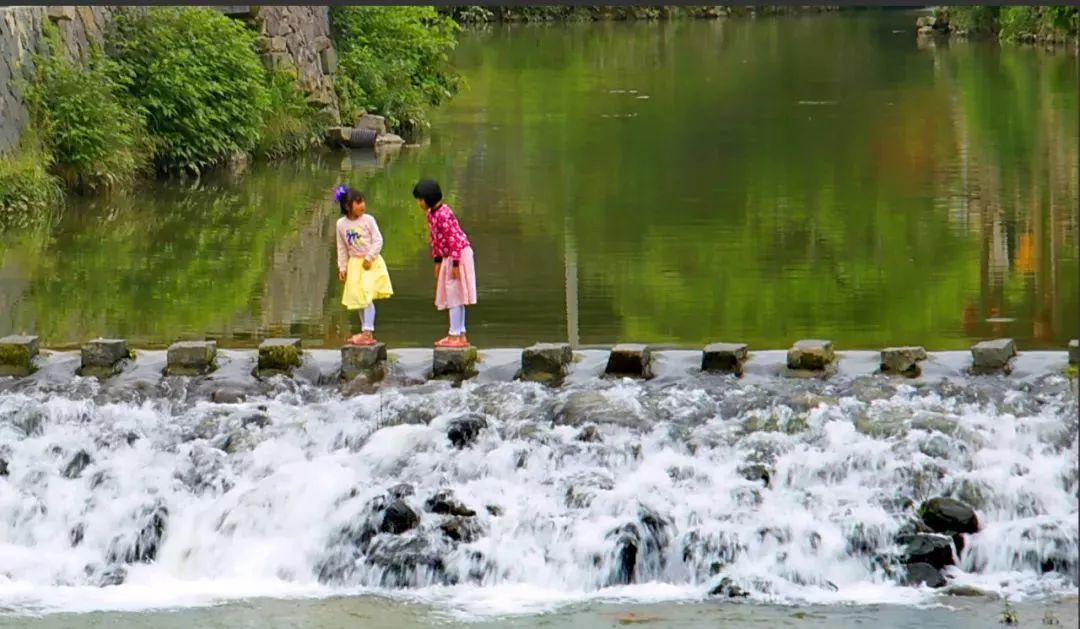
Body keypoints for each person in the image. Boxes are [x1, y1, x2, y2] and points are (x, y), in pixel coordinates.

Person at [412, 179, 477, 348]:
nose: (419, 203)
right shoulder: (432, 214)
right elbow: (435, 239)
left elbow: (453, 239)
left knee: (454, 295)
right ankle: (460, 334)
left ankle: (455, 335)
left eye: (420, 200)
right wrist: (438, 260)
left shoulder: (443, 213)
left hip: (458, 255)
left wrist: (455, 264)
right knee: (456, 293)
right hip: (449, 256)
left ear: (428, 198)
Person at [335, 184, 393, 345]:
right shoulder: (341, 224)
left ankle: (368, 332)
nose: (362, 206)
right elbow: (341, 247)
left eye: (363, 202)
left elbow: (378, 240)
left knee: (366, 297)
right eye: (358, 203)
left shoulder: (368, 220)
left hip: (370, 263)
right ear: (347, 206)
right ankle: (364, 330)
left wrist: (369, 257)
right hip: (355, 264)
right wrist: (342, 267)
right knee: (358, 298)